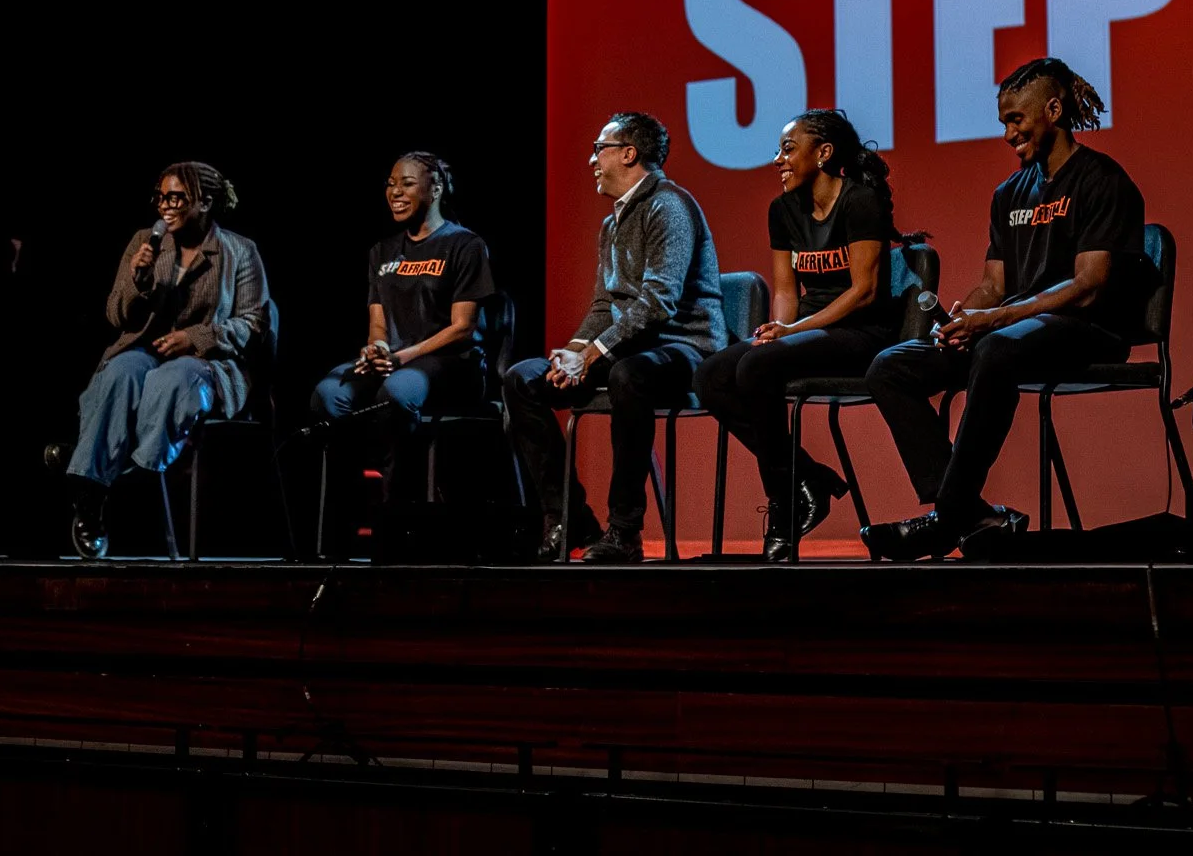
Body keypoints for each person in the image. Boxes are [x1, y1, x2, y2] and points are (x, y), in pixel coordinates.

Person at [859, 58, 1152, 561]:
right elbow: (993, 286)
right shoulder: (1008, 194)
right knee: (892, 366)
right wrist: (959, 322)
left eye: (1017, 119)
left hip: (1089, 328)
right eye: (1004, 123)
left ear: (1053, 111)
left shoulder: (1102, 179)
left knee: (994, 349)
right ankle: (970, 514)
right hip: (1017, 329)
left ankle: (946, 518)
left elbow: (1088, 286)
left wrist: (991, 322)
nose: (1009, 133)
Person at [504, 112, 726, 563]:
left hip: (684, 347)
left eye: (598, 148)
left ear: (628, 153)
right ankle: (568, 516)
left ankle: (624, 529)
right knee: (523, 379)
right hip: (633, 346)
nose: (591, 160)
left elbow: (659, 302)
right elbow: (605, 307)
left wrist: (595, 352)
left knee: (628, 376)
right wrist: (572, 353)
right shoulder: (612, 223)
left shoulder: (670, 205)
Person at [692, 109, 902, 560]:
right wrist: (773, 331)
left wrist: (792, 331)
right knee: (710, 377)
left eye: (788, 149)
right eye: (778, 150)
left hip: (861, 332)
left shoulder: (859, 201)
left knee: (759, 364)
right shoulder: (783, 210)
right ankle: (805, 479)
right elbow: (786, 293)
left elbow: (864, 293)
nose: (777, 159)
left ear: (823, 154)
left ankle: (784, 508)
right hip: (806, 329)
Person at [55, 161, 272, 559]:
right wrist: (137, 281)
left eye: (176, 197)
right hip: (144, 353)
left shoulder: (240, 251)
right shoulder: (146, 241)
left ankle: (117, 474)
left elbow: (254, 323)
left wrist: (195, 337)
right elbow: (117, 318)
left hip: (209, 363)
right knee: (120, 372)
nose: (165, 206)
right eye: (160, 197)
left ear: (205, 202)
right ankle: (91, 502)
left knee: (172, 380)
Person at [308, 152, 497, 538]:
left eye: (407, 183)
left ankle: (397, 516)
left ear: (436, 187)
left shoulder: (464, 245)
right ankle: (346, 515)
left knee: (395, 392)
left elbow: (463, 327)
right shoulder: (383, 252)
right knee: (329, 394)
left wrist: (401, 356)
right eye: (391, 184)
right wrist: (376, 349)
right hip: (396, 361)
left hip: (451, 363)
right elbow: (378, 323)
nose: (395, 191)